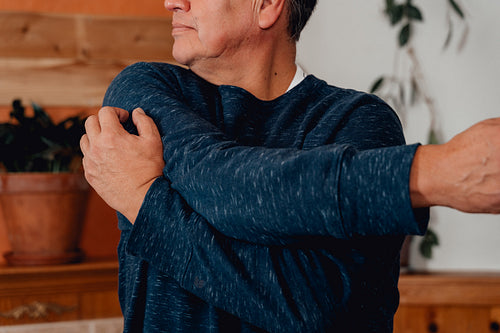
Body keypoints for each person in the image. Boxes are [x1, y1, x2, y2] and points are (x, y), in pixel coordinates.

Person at [80, 0, 500, 331]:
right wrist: (426, 175)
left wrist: (144, 200)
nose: (171, 2)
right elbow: (221, 178)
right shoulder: (144, 91)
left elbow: (311, 308)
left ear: (267, 6)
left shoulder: (359, 121)